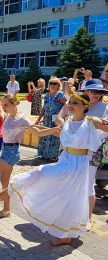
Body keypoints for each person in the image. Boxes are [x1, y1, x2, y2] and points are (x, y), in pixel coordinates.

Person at [0, 93, 108, 246]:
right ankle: (65, 235)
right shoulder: (67, 121)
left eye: (75, 103)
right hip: (65, 159)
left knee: (42, 173)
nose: (71, 105)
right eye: (70, 102)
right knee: (61, 194)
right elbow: (54, 126)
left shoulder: (91, 121)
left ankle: (10, 189)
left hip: (78, 164)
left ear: (85, 107)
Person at [0, 94, 60, 219]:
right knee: (4, 182)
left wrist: (54, 130)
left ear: (14, 104)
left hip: (12, 153)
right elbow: (36, 126)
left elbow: (37, 132)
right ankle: (6, 211)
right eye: (2, 105)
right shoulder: (8, 116)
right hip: (5, 150)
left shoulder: (21, 119)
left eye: (6, 105)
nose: (3, 107)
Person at [57, 79, 108, 220]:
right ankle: (71, 215)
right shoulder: (74, 102)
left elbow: (105, 129)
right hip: (69, 150)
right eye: (93, 91)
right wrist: (68, 128)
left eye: (100, 92)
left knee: (88, 185)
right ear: (85, 91)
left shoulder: (105, 108)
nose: (96, 94)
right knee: (68, 182)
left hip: (92, 150)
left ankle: (87, 218)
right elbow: (59, 118)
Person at [36, 77, 66, 160]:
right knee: (45, 135)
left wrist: (62, 117)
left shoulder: (60, 95)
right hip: (47, 118)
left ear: (58, 85)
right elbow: (44, 108)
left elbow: (66, 106)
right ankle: (43, 154)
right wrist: (39, 118)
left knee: (54, 137)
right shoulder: (46, 95)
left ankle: (54, 156)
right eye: (51, 83)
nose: (52, 85)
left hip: (55, 119)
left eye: (55, 83)